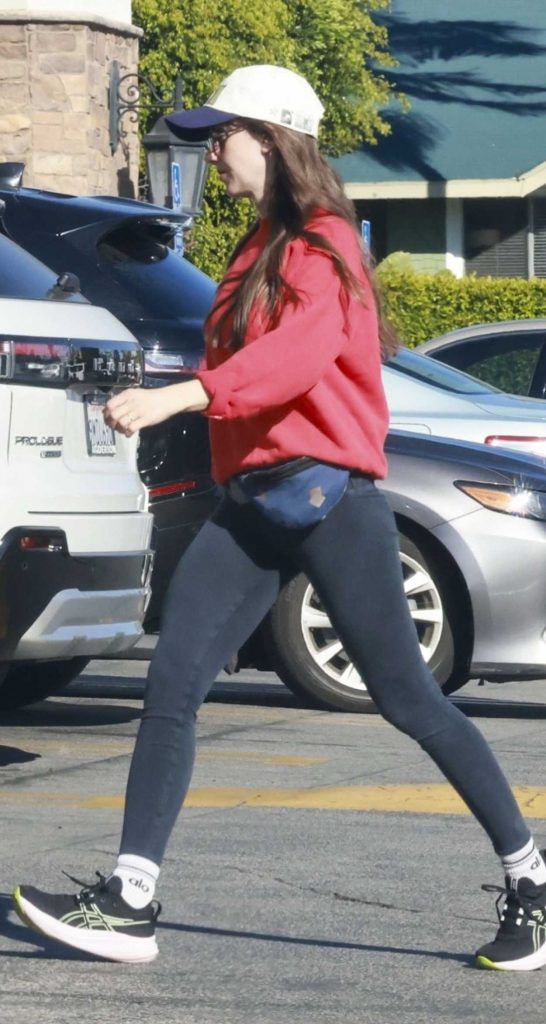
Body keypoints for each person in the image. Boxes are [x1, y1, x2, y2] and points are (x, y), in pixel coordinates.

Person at [12, 64, 546, 972]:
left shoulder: (325, 245)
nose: (213, 150)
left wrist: (189, 395)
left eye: (225, 133)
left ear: (275, 139)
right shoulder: (258, 246)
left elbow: (299, 359)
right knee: (173, 678)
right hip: (256, 500)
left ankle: (531, 878)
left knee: (409, 699)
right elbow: (246, 370)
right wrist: (152, 393)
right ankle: (132, 899)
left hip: (330, 500)